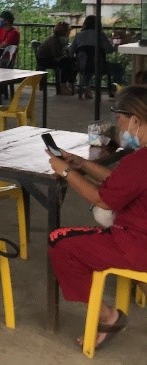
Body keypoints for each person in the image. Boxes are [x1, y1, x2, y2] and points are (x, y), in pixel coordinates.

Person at [46, 86, 147, 350]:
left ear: (135, 120)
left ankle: (107, 316)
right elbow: (122, 182)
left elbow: (103, 199)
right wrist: (82, 165)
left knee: (60, 242)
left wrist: (66, 171)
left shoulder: (141, 161)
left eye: (119, 120)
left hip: (136, 246)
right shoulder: (141, 160)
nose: (119, 128)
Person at [71, 15, 116, 100]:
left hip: (81, 65)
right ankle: (114, 91)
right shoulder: (101, 35)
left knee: (87, 68)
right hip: (98, 65)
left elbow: (71, 51)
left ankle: (85, 87)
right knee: (118, 68)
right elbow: (110, 49)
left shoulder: (79, 35)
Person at [36, 21, 76, 96]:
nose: (70, 32)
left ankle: (69, 85)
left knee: (71, 61)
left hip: (51, 58)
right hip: (44, 59)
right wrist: (65, 54)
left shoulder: (61, 39)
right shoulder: (54, 39)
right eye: (68, 30)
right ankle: (64, 87)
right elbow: (56, 54)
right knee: (67, 62)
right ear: (64, 31)